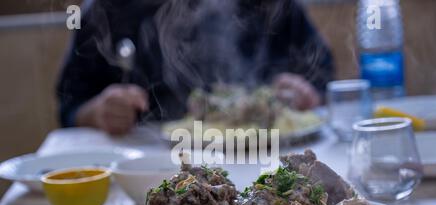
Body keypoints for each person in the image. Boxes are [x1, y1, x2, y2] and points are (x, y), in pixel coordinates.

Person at [57, 0, 334, 135]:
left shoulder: (272, 4)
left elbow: (323, 74)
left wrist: (307, 91)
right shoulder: (106, 10)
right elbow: (69, 105)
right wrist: (96, 112)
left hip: (269, 155)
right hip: (150, 170)